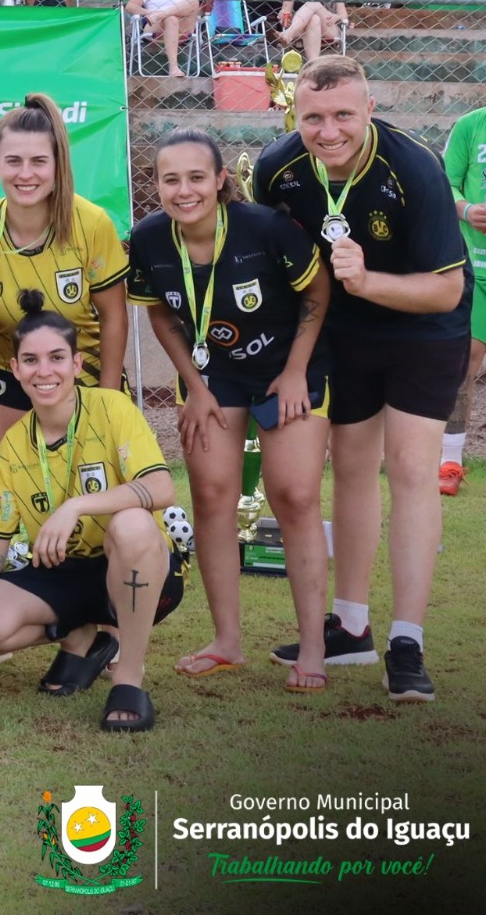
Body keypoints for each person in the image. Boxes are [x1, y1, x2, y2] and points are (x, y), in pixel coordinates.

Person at [253, 56, 471, 703]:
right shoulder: (277, 169)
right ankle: (351, 626)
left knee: (409, 469)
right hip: (343, 334)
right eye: (312, 117)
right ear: (295, 114)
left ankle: (408, 641)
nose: (327, 131)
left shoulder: (416, 168)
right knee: (350, 470)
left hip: (423, 331)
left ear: (369, 109)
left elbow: (447, 290)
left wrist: (366, 281)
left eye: (343, 114)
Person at [128, 129, 332, 691]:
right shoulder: (147, 239)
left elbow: (318, 293)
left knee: (294, 494)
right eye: (170, 179)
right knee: (212, 495)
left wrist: (294, 372)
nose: (183, 190)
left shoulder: (264, 228)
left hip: (287, 367)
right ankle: (227, 641)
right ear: (157, 185)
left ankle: (313, 649)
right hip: (214, 376)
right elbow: (162, 316)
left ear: (221, 181)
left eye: (197, 177)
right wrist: (193, 385)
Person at [0, 291, 184, 731]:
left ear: (77, 364)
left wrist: (76, 506)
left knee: (131, 524)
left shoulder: (111, 406)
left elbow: (161, 486)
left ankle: (129, 678)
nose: (45, 371)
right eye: (31, 360)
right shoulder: (15, 443)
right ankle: (81, 636)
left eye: (57, 358)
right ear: (15, 369)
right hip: (66, 574)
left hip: (133, 567)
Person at [0, 94, 129, 449]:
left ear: (57, 164)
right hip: (4, 364)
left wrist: (109, 398)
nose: (25, 174)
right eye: (13, 161)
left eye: (39, 161)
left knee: (84, 479)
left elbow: (114, 318)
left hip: (79, 367)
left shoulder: (91, 224)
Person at [440, 105, 486, 494]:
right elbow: (446, 184)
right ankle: (449, 460)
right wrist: (468, 210)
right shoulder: (471, 125)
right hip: (477, 269)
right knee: (463, 360)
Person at [127, 0, 201, 78]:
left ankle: (161, 14)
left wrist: (159, 14)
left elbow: (194, 7)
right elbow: (130, 6)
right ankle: (174, 68)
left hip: (182, 29)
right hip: (156, 27)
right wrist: (149, 12)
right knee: (171, 19)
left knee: (194, 0)